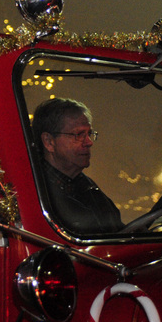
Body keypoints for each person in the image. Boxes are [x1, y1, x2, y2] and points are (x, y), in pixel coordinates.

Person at [32, 98, 123, 234]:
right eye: (79, 134)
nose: (89, 142)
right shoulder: (35, 194)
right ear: (49, 142)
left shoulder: (88, 188)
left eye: (89, 134)